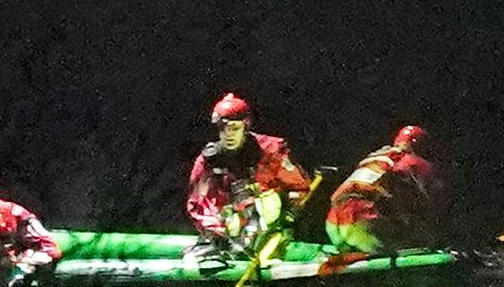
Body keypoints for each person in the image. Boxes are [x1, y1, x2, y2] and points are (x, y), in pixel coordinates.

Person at [185, 92, 313, 257]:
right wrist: (215, 233)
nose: (228, 134)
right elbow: (199, 202)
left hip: (267, 222)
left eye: (234, 128)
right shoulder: (208, 160)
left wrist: (289, 216)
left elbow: (299, 186)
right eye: (223, 129)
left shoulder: (270, 151)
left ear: (245, 126)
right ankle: (225, 243)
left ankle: (255, 241)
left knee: (259, 198)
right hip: (230, 222)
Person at [325, 125, 444, 254]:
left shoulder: (375, 157)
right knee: (419, 244)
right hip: (362, 222)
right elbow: (432, 202)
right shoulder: (414, 162)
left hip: (332, 223)